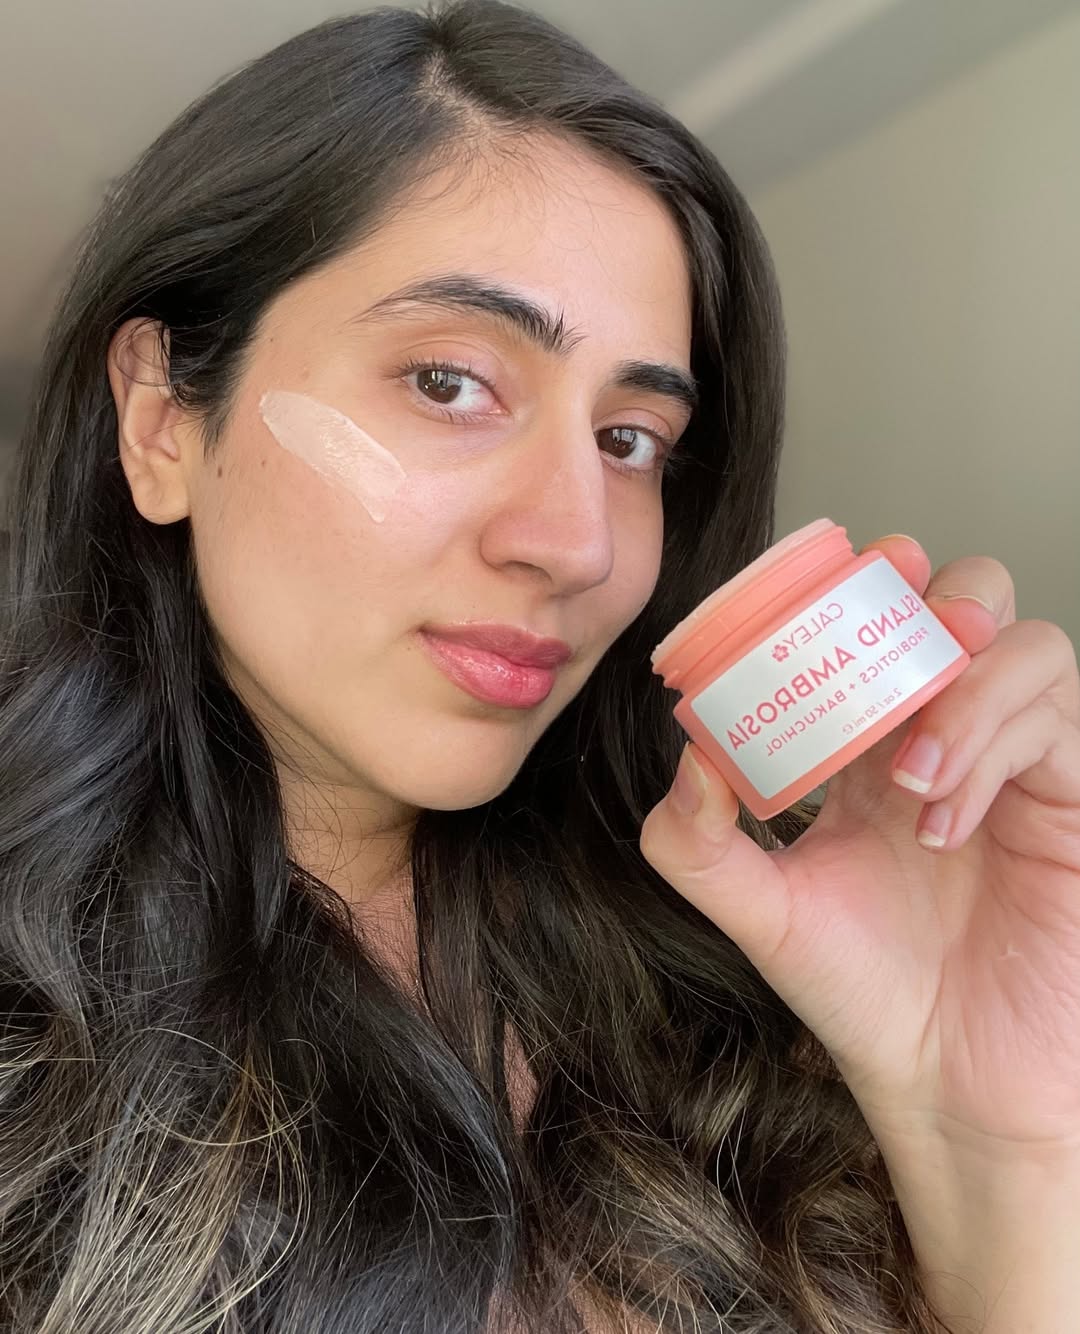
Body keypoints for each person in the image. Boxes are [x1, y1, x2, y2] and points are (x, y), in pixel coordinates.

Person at [3, 2, 1079, 1331]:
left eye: (632, 440)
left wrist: (999, 1138)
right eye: (451, 382)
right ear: (163, 417)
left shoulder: (749, 989)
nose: (576, 543)